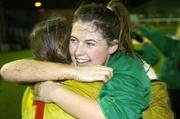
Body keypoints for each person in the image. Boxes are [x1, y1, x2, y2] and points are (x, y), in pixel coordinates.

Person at [1, 1, 152, 119]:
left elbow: (116, 116)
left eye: (90, 43)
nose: (78, 52)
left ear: (112, 47)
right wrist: (74, 71)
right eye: (74, 40)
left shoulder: (128, 66)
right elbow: (8, 70)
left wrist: (53, 91)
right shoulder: (75, 58)